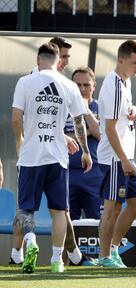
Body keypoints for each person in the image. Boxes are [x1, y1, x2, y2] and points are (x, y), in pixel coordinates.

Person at [10, 37, 96, 267]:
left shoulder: (25, 82)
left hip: (31, 155)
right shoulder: (69, 85)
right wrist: (85, 152)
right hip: (58, 157)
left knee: (26, 208)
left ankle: (30, 241)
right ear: (58, 62)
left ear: (38, 60)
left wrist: (20, 142)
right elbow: (79, 122)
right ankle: (57, 259)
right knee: (59, 210)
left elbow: (16, 118)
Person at [97, 40, 136, 268]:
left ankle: (114, 248)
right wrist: (124, 160)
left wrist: (132, 110)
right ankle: (105, 256)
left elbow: (121, 114)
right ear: (121, 60)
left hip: (126, 156)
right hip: (116, 158)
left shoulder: (125, 82)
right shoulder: (115, 85)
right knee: (112, 207)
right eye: (135, 63)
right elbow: (108, 128)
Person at [64, 67, 102, 220]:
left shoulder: (101, 107)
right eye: (77, 85)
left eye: (86, 85)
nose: (82, 89)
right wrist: (89, 131)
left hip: (95, 174)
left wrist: (85, 110)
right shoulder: (64, 108)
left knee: (98, 222)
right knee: (67, 222)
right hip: (68, 172)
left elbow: (102, 135)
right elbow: (59, 137)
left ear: (94, 85)